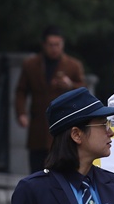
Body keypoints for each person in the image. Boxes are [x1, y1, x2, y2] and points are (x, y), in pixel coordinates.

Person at [14, 26, 85, 172]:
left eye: (57, 45)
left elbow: (83, 91)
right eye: (51, 45)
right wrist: (21, 113)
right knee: (37, 168)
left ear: (62, 44)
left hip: (63, 127)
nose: (54, 49)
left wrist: (70, 84)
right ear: (44, 45)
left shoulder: (73, 66)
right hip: (38, 126)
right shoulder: (31, 64)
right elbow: (21, 91)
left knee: (61, 168)